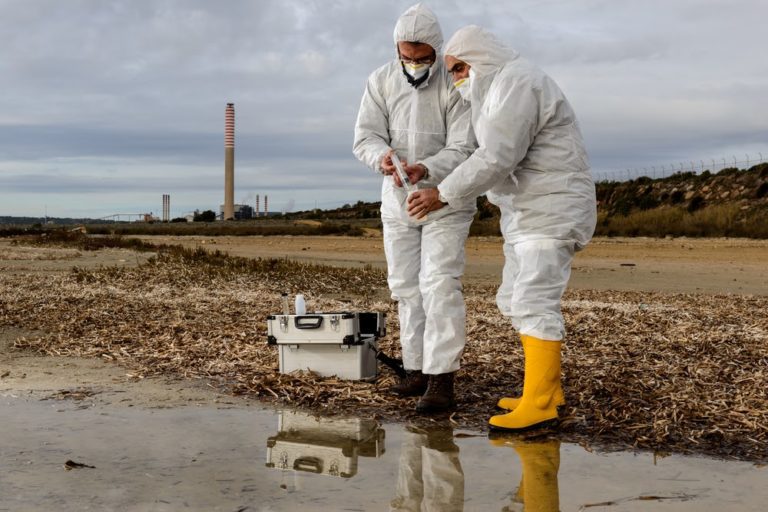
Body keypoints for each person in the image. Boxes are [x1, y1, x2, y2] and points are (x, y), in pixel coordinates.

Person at [407, 25, 596, 430]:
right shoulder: (498, 91)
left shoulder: (517, 83)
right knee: (513, 299)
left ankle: (541, 402)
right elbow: (486, 153)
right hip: (528, 213)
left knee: (533, 301)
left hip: (550, 210)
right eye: (452, 71)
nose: (456, 78)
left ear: (480, 57)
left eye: (459, 68)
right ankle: (545, 389)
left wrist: (442, 193)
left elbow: (497, 156)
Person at [353, 4, 477, 412]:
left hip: (446, 198)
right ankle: (417, 368)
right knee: (406, 286)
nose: (414, 65)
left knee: (439, 283)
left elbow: (465, 145)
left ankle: (442, 379)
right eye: (407, 57)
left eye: (422, 58)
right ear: (397, 50)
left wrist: (427, 168)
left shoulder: (455, 80)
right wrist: (383, 159)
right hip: (397, 198)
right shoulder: (381, 80)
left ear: (436, 52)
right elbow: (366, 137)